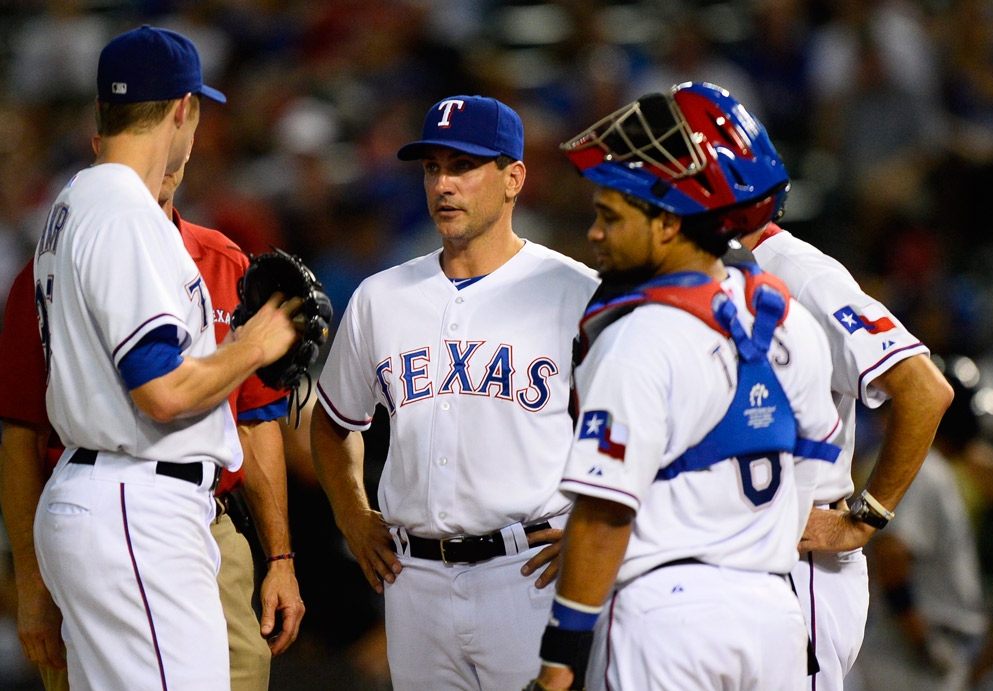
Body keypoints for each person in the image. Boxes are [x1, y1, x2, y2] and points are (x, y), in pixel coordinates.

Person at [527, 83, 844, 691]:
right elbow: (816, 472)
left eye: (611, 216)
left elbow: (601, 516)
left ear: (668, 224)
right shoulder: (792, 322)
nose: (595, 234)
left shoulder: (639, 338)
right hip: (776, 615)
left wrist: (558, 664)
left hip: (666, 617)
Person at [27, 25, 302, 690]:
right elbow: (163, 390)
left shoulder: (72, 202)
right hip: (136, 502)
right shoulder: (125, 210)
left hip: (103, 493)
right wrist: (253, 346)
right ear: (184, 108)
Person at [309, 94, 600, 690]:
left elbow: (637, 429)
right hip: (413, 580)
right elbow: (333, 421)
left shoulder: (575, 292)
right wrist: (352, 515)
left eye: (463, 166)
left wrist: (591, 528)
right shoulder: (380, 296)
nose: (444, 184)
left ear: (513, 177)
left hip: (530, 574)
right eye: (432, 167)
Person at [739, 187, 953, 690]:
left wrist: (865, 518)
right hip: (734, 546)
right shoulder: (704, 274)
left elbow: (924, 389)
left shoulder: (799, 272)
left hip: (800, 558)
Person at [853, 354, 988, 691]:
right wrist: (920, 637)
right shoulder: (923, 469)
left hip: (921, 644)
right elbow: (892, 554)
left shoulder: (934, 466)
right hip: (907, 652)